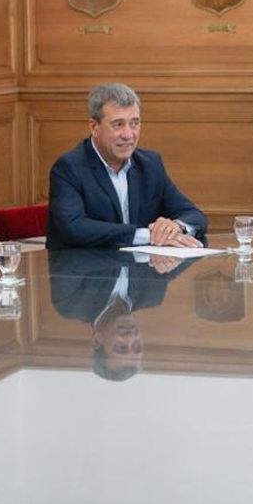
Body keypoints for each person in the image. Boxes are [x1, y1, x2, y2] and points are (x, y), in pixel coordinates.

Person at [46, 83, 207, 250]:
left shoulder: (150, 164)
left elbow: (194, 215)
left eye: (134, 123)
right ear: (94, 127)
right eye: (118, 125)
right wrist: (147, 235)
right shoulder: (69, 167)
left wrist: (175, 227)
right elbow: (74, 228)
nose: (128, 135)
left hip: (141, 271)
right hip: (84, 271)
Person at [48, 247, 193, 381]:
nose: (131, 337)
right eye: (137, 346)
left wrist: (131, 251)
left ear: (97, 340)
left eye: (121, 348)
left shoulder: (70, 304)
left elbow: (70, 259)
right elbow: (191, 250)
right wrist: (179, 227)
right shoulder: (151, 295)